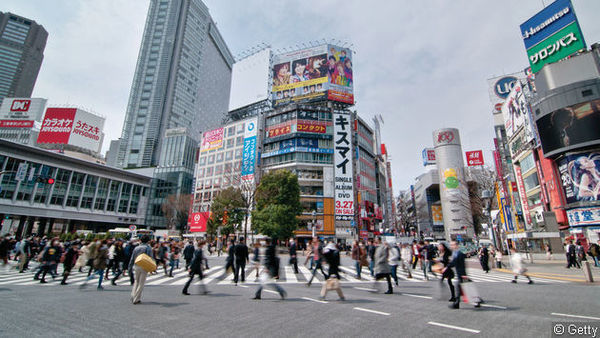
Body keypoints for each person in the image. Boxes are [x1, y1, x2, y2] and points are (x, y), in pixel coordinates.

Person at [446, 240, 481, 309]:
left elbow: (461, 265)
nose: (451, 246)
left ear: (457, 245)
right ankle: (476, 301)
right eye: (451, 245)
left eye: (453, 245)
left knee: (463, 289)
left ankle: (457, 303)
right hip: (460, 274)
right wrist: (448, 266)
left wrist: (463, 274)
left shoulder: (459, 254)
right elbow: (453, 263)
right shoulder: (455, 253)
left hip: (461, 274)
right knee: (465, 289)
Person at [129, 235, 153, 304]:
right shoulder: (148, 248)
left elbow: (132, 258)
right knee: (141, 283)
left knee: (136, 281)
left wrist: (130, 267)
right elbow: (150, 258)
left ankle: (133, 295)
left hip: (136, 265)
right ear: (148, 241)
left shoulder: (136, 248)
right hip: (144, 266)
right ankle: (136, 299)